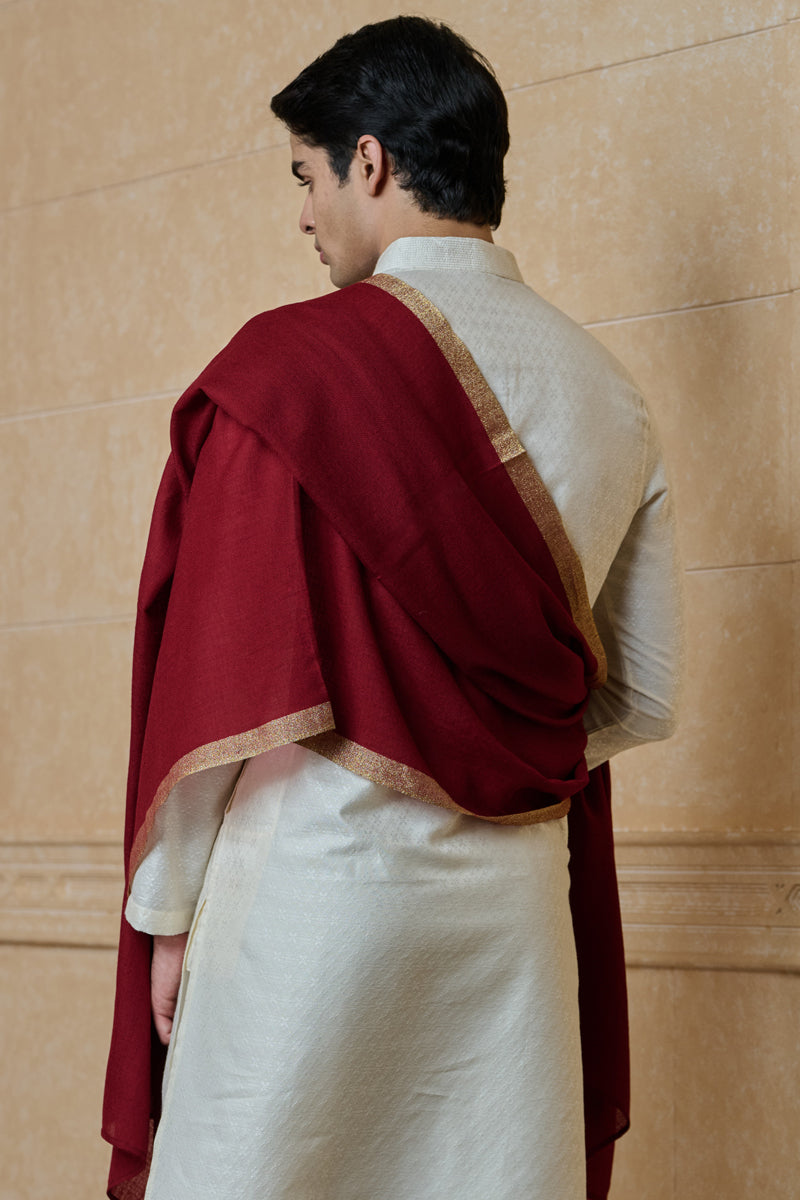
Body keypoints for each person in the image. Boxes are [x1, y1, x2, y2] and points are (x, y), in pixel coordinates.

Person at [102, 16, 683, 1200]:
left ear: (368, 161)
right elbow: (641, 690)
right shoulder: (609, 392)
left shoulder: (284, 375)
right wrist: (486, 761)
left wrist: (165, 916)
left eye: (307, 177)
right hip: (511, 919)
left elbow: (216, 679)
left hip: (311, 899)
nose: (304, 214)